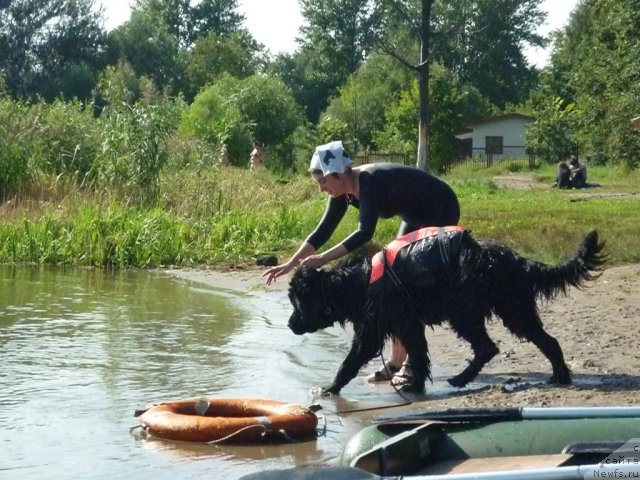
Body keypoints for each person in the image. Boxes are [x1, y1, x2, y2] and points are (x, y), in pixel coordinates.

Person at [263, 140, 461, 386]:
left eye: (323, 182)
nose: (322, 189)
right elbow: (322, 232)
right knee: (395, 282)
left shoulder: (368, 181)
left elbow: (364, 233)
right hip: (414, 216)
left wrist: (323, 259)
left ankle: (411, 364)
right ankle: (395, 362)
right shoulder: (343, 192)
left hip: (440, 207)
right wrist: (290, 264)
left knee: (408, 286)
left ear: (337, 173)